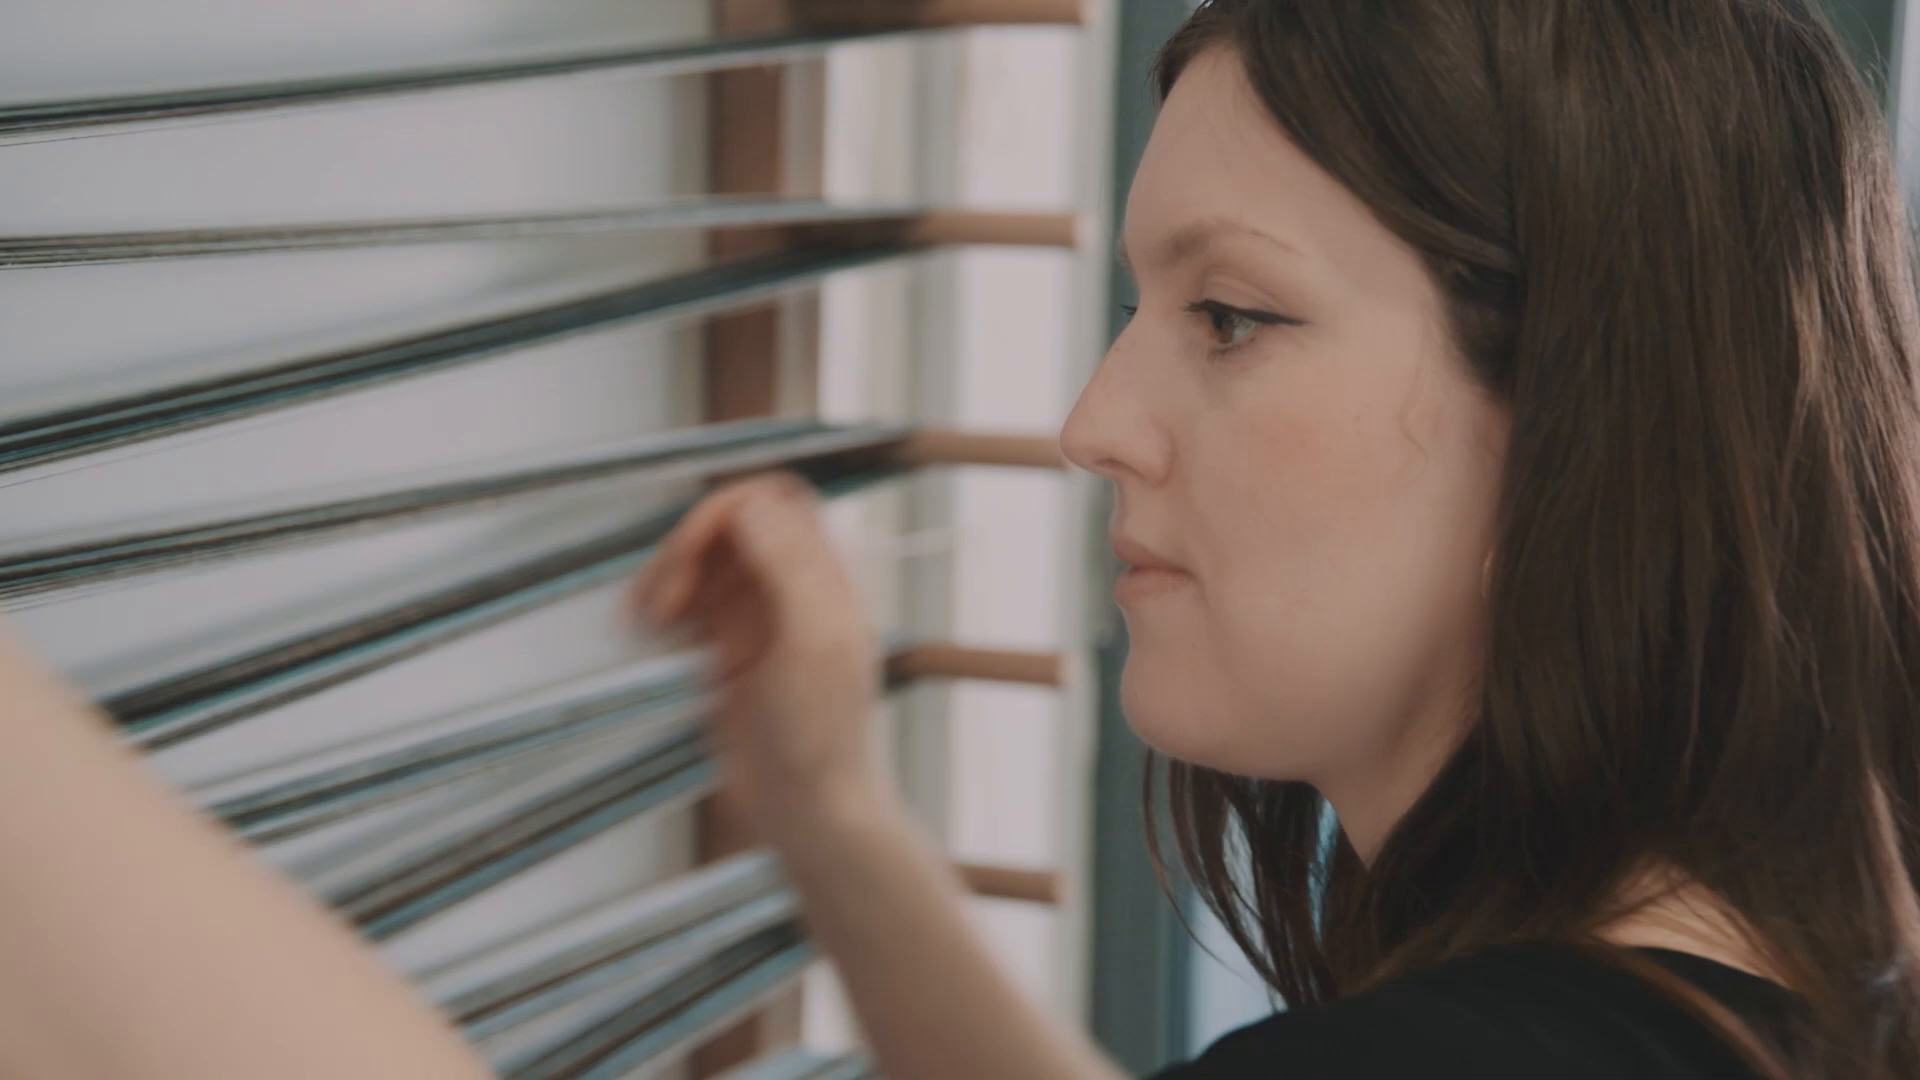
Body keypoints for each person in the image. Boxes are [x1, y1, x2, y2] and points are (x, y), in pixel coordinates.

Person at [0, 0, 1914, 1076]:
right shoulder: (1757, 1001)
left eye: (1231, 316)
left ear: (1585, 410)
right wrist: (830, 815)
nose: (1094, 423)